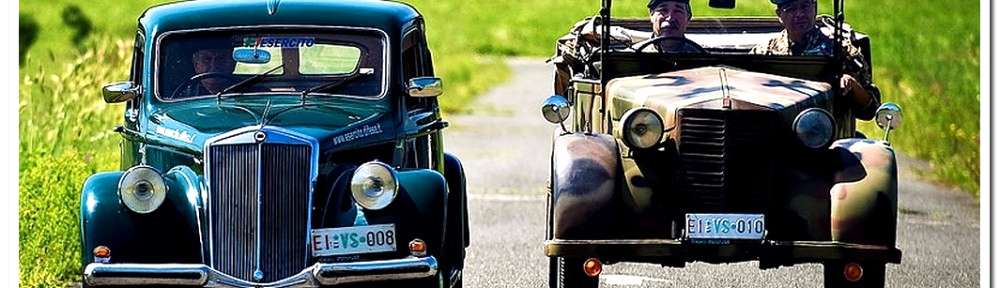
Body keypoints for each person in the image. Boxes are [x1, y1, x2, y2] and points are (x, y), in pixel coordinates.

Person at [750, 0, 881, 121]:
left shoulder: (840, 50)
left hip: (827, 135)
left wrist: (852, 85)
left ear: (815, 7)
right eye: (791, 9)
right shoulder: (764, 52)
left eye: (805, 6)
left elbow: (871, 109)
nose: (799, 14)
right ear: (779, 15)